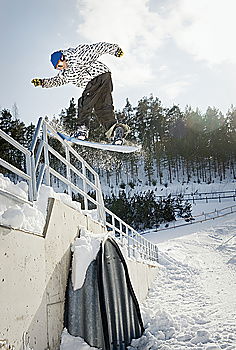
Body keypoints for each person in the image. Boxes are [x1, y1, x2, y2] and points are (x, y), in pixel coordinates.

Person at [31, 42, 129, 144]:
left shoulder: (77, 55)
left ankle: (82, 129)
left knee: (84, 102)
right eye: (58, 68)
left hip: (97, 76)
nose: (61, 68)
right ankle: (116, 131)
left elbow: (97, 48)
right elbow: (57, 81)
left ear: (63, 58)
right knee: (102, 108)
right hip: (104, 82)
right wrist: (43, 82)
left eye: (60, 65)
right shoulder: (66, 74)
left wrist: (114, 50)